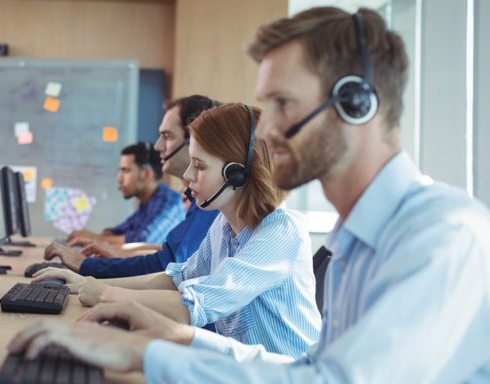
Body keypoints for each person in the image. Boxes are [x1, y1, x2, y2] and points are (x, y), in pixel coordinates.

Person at [8, 7, 490, 383]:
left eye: (283, 103)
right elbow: (305, 367)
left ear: (356, 105)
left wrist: (154, 353)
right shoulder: (356, 239)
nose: (263, 132)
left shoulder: (442, 238)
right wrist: (160, 344)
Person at [35, 103, 321, 357]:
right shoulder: (223, 226)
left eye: (199, 166)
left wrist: (106, 294)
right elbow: (177, 279)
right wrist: (86, 282)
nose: (187, 176)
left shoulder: (281, 232)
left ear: (237, 174)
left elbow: (194, 304)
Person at [44, 95, 220, 278]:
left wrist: (87, 265)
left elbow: (165, 264)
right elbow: (159, 254)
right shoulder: (195, 201)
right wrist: (105, 253)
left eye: (167, 136)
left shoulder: (201, 203)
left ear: (194, 142)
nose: (158, 146)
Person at [65, 142, 184, 246]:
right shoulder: (147, 204)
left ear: (146, 174)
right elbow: (117, 231)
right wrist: (89, 237)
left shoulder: (170, 203)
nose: (119, 179)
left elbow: (142, 241)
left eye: (125, 171)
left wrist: (93, 239)